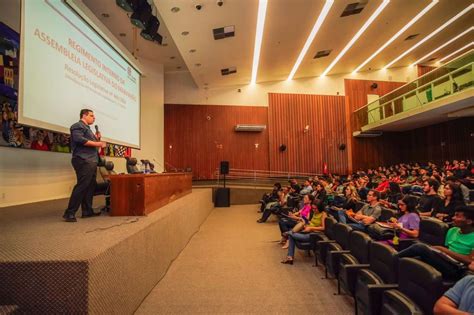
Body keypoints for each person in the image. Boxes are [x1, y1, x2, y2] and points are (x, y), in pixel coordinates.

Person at [395, 206, 474, 281]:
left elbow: (469, 260)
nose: (453, 218)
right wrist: (441, 251)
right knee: (412, 260)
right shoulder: (453, 230)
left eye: (457, 216)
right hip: (446, 260)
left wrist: (443, 250)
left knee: (420, 248)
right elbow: (446, 249)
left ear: (469, 221)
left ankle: (391, 259)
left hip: (458, 268)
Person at [63, 109, 107, 222]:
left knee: (90, 186)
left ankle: (87, 211)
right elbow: (79, 139)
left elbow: (93, 145)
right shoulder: (77, 125)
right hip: (83, 159)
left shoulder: (89, 130)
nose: (94, 118)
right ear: (84, 115)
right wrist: (98, 143)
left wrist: (98, 139)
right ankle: (69, 212)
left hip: (91, 160)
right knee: (82, 185)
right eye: (91, 116)